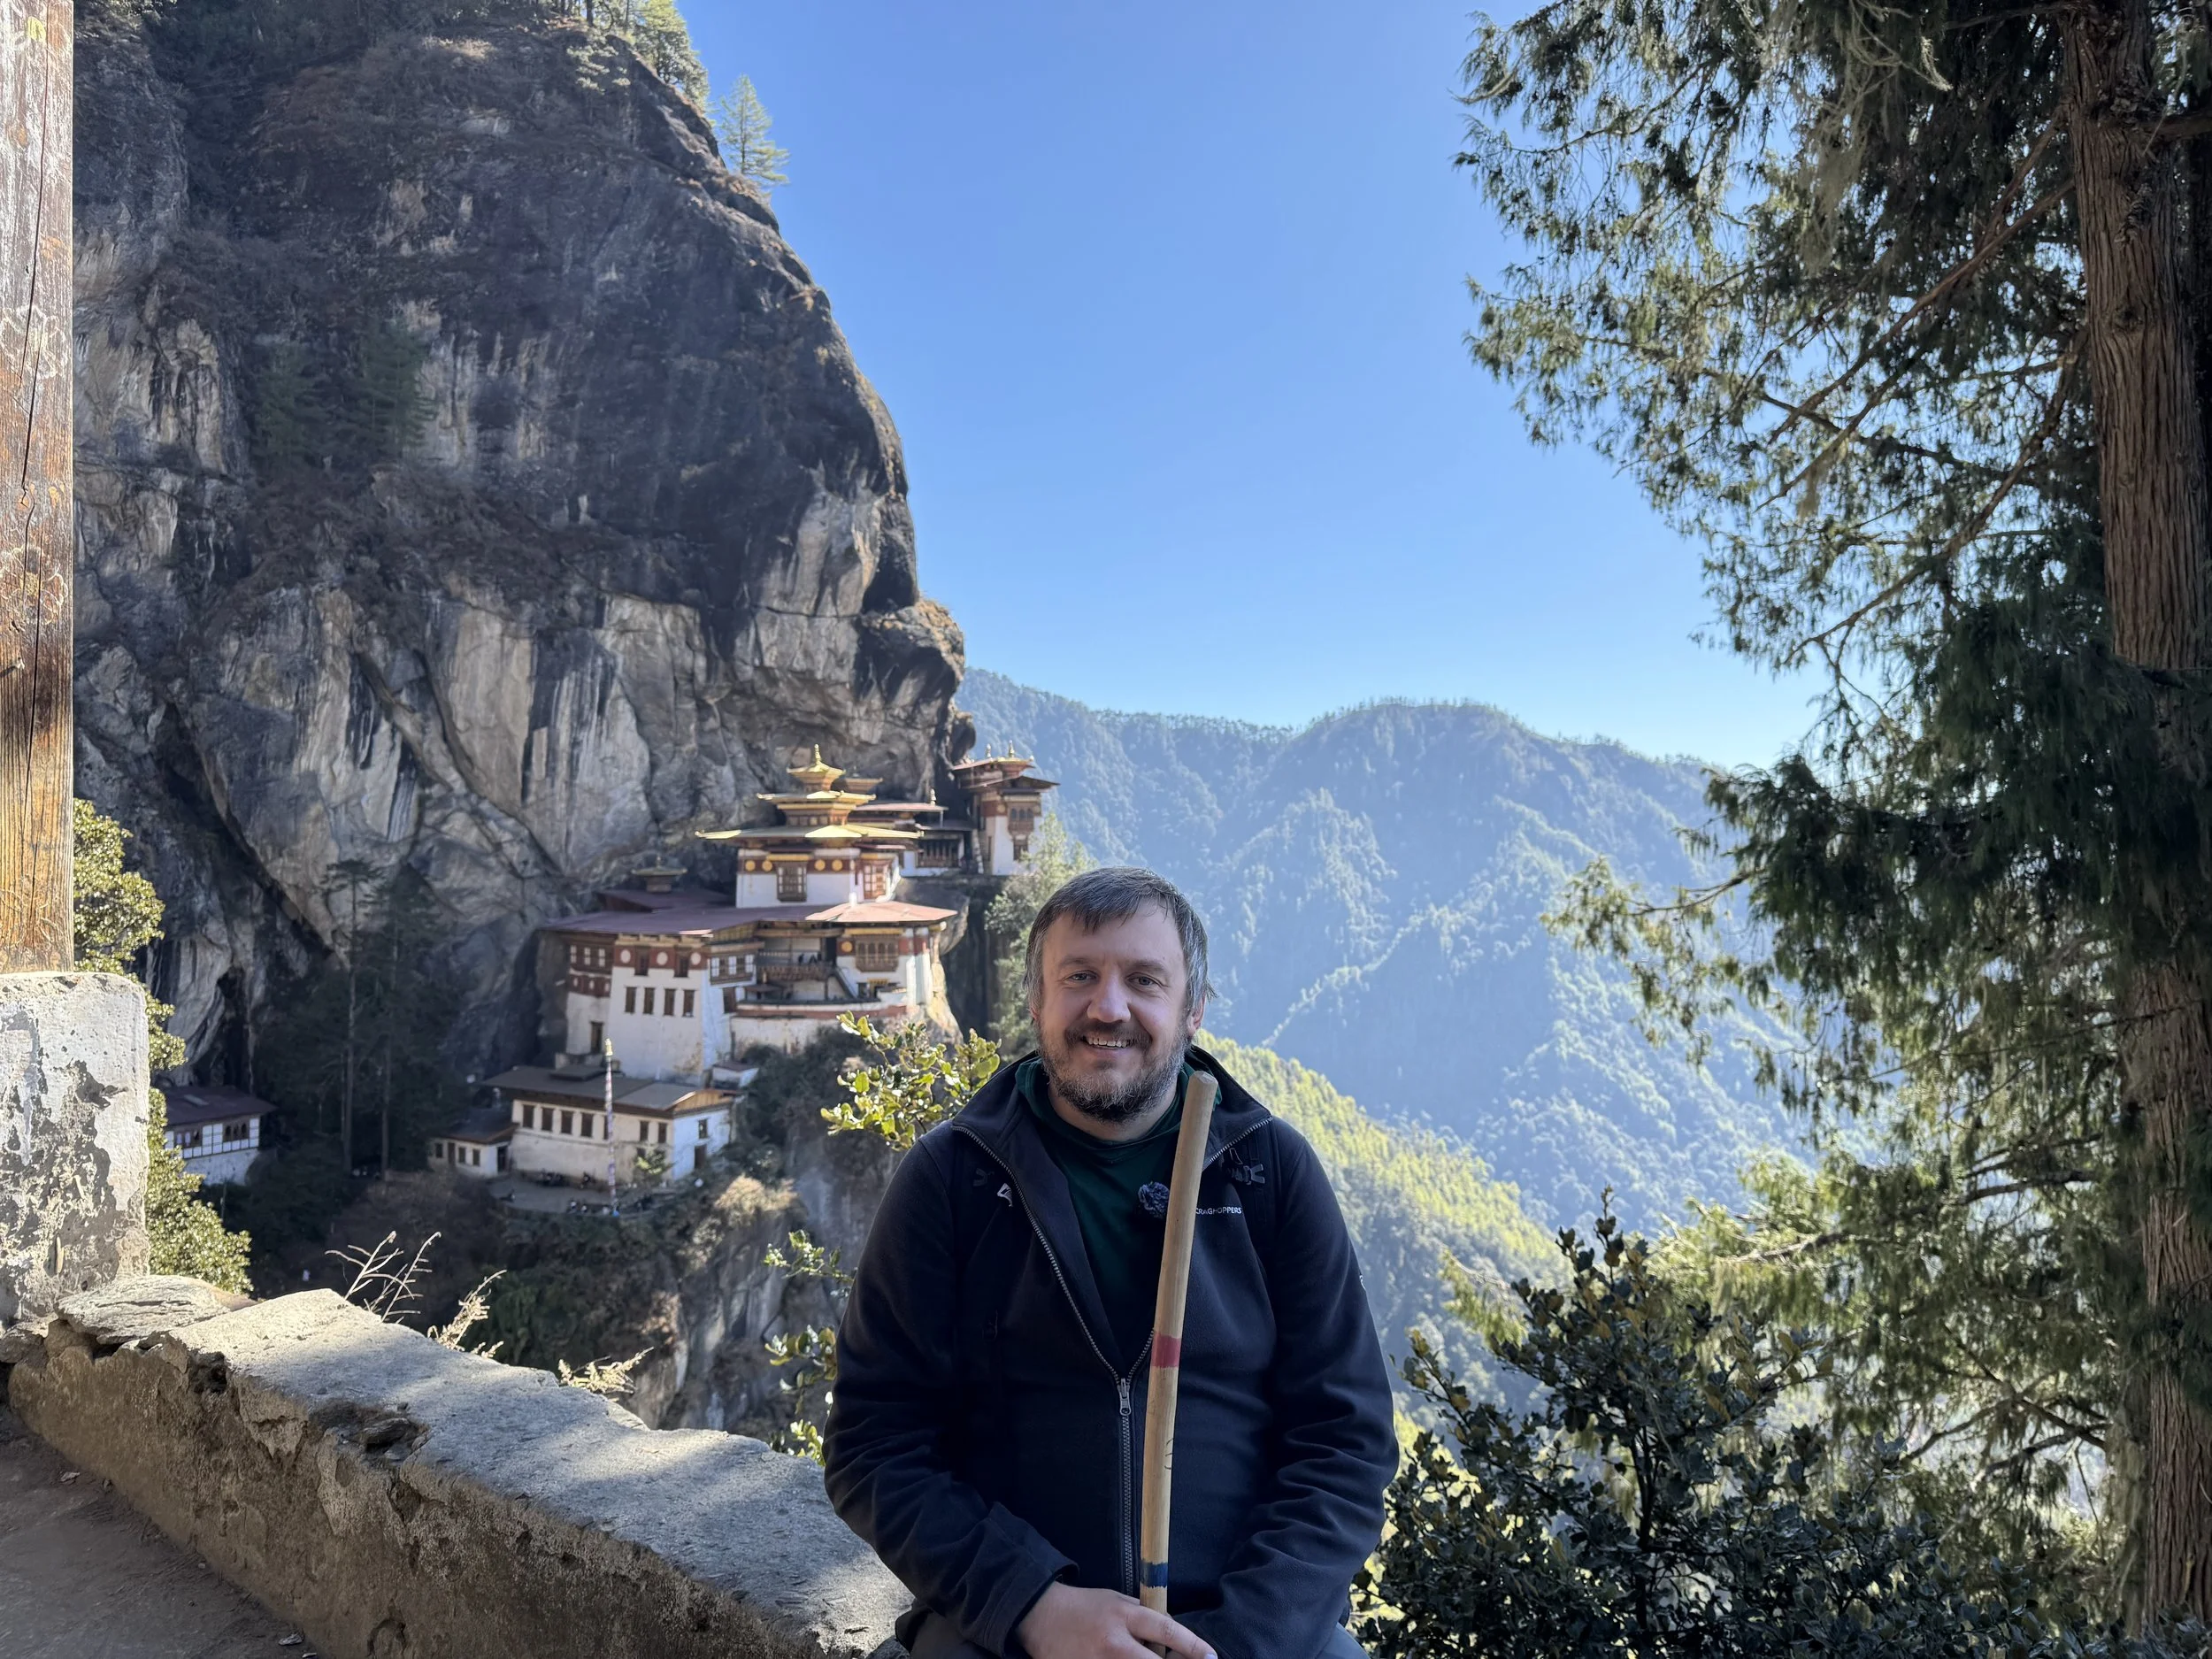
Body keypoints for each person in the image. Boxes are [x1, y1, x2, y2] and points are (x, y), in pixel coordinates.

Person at [824, 866, 1397, 1659]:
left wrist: (1238, 1640)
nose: (1109, 1007)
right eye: (1080, 976)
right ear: (1036, 1000)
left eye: (1144, 980)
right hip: (1009, 1627)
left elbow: (1346, 1440)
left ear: (1193, 1009)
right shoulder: (956, 1179)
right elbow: (874, 1442)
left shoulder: (1268, 1173)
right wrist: (1031, 1603)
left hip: (1243, 1628)